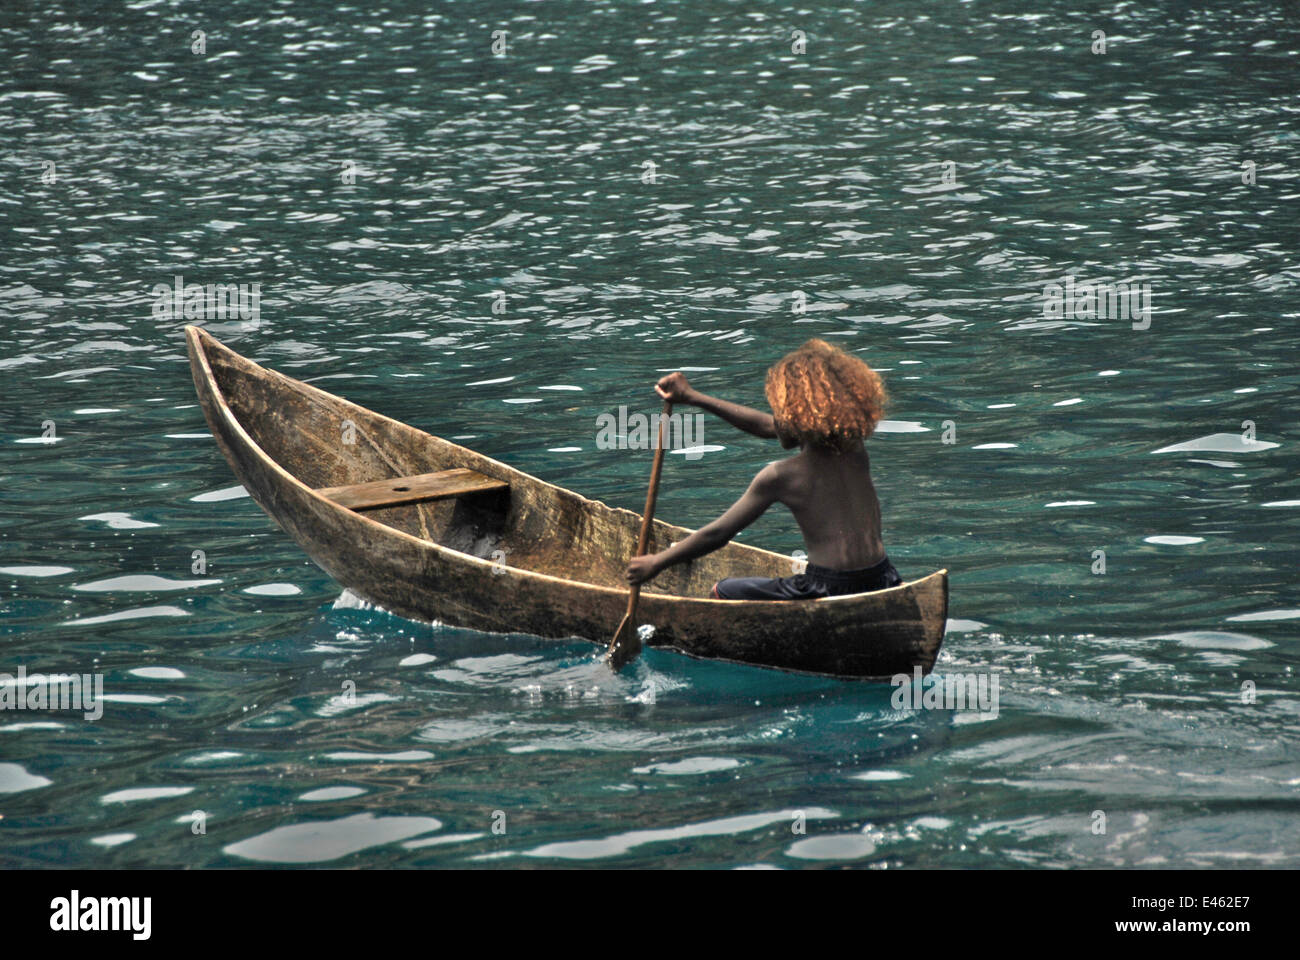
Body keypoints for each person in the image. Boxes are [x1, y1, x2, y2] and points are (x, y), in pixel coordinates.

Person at [624, 338, 902, 599]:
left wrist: (656, 562)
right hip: (885, 578)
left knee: (721, 590)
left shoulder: (780, 476)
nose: (774, 420)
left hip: (826, 588)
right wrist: (693, 397)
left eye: (779, 412)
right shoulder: (854, 447)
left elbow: (717, 534)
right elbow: (767, 426)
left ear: (796, 419)